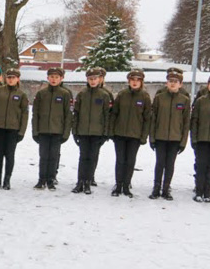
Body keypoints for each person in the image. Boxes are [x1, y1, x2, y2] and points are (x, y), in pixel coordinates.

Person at [149, 71, 191, 200]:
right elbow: (153, 119)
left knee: (170, 164)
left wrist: (183, 142)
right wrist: (152, 138)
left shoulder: (184, 100)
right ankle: (156, 188)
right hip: (160, 137)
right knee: (160, 163)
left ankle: (166, 189)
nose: (173, 84)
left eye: (175, 82)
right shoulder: (159, 98)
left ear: (180, 84)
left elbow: (186, 123)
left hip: (175, 138)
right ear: (166, 83)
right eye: (170, 81)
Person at [110, 68, 151, 197]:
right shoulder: (122, 95)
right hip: (120, 134)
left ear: (141, 82)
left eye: (137, 80)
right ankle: (118, 184)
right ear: (128, 81)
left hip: (135, 135)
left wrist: (143, 136)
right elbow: (114, 114)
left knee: (130, 161)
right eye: (132, 80)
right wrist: (112, 132)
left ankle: (126, 185)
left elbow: (147, 118)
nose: (134, 82)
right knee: (120, 160)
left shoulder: (145, 96)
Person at [31, 67, 72, 190]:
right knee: (43, 156)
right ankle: (41, 179)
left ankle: (51, 180)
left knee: (53, 157)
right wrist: (35, 131)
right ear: (47, 78)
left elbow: (68, 115)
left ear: (61, 78)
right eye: (51, 77)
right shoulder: (41, 94)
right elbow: (35, 114)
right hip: (43, 131)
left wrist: (65, 133)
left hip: (57, 131)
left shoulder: (65, 94)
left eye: (56, 77)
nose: (54, 79)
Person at [71, 67, 110, 195]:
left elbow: (106, 115)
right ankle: (80, 182)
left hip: (96, 133)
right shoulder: (82, 94)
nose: (93, 81)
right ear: (87, 80)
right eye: (90, 79)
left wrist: (105, 133)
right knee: (83, 158)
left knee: (92, 158)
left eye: (95, 79)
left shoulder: (104, 95)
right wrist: (75, 131)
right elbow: (76, 113)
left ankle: (88, 182)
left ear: (99, 80)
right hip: (83, 132)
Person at [0, 68, 29, 190]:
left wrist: (21, 131)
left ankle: (7, 180)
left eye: (13, 77)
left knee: (10, 155)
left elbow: (24, 114)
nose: (11, 79)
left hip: (13, 129)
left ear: (18, 79)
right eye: (8, 77)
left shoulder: (21, 95)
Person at [191, 76, 210, 202]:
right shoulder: (201, 101)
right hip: (202, 139)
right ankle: (199, 191)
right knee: (201, 166)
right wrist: (194, 139)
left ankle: (208, 193)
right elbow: (194, 121)